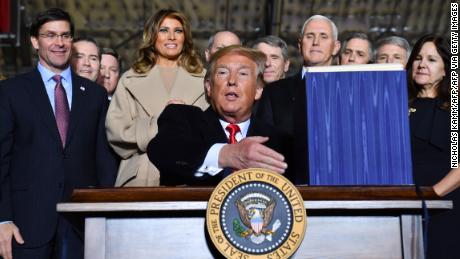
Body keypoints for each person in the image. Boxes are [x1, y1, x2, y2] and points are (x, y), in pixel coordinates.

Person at [0, 8, 117, 259]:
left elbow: (103, 161)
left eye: (65, 36)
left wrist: (106, 213)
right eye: (50, 35)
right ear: (34, 41)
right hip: (26, 223)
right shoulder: (11, 92)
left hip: (82, 224)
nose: (59, 42)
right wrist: (3, 219)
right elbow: (1, 161)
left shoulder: (95, 95)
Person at [147, 45, 291, 185]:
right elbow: (162, 150)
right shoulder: (184, 118)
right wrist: (227, 154)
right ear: (209, 87)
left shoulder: (277, 139)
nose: (232, 81)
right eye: (223, 73)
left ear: (258, 90)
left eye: (243, 74)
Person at [106, 9, 208, 187]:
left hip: (192, 175)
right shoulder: (130, 79)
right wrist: (161, 122)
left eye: (178, 31)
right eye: (163, 30)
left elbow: (214, 132)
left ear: (185, 37)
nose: (171, 37)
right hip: (143, 177)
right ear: (152, 36)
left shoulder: (205, 80)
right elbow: (117, 133)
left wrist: (186, 117)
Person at [256, 15, 340, 183]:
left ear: (336, 47)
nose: (316, 42)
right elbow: (264, 146)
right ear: (300, 45)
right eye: (310, 36)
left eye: (323, 36)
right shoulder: (275, 92)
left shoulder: (350, 91)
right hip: (290, 189)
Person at [407, 34, 459, 259]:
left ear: (446, 68)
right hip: (402, 208)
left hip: (445, 210)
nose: (422, 64)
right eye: (418, 58)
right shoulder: (397, 104)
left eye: (431, 59)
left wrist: (432, 195)